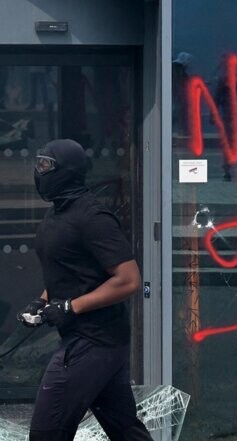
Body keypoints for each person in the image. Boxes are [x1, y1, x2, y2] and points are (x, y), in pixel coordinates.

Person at [18, 139, 152, 440]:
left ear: (68, 170)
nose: (39, 172)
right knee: (126, 430)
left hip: (92, 341)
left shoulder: (93, 218)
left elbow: (128, 279)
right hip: (97, 342)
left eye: (46, 165)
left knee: (45, 434)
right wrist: (41, 302)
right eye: (38, 164)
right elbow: (69, 271)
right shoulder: (56, 214)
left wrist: (70, 307)